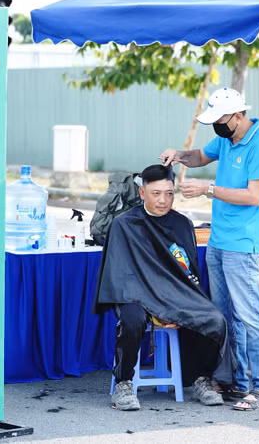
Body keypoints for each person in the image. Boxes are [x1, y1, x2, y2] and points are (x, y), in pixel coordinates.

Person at [160, 87, 259, 411]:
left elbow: (255, 196)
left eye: (221, 120)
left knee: (251, 316)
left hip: (243, 245)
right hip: (218, 242)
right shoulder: (227, 139)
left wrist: (207, 189)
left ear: (239, 116)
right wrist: (180, 155)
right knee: (225, 317)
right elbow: (201, 156)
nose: (218, 127)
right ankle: (236, 382)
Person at [94, 164, 231, 411]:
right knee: (133, 320)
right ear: (142, 193)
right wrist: (157, 307)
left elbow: (189, 274)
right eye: (156, 193)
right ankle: (124, 381)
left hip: (173, 293)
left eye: (169, 193)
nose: (163, 200)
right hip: (135, 295)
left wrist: (175, 305)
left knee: (213, 318)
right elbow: (121, 276)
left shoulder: (182, 224)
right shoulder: (124, 224)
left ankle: (200, 378)